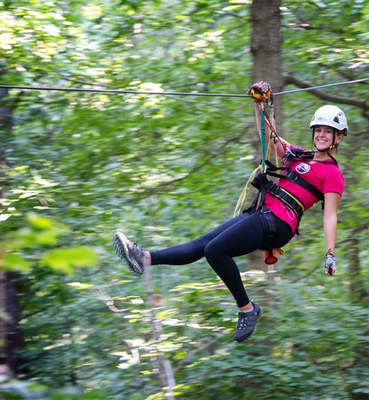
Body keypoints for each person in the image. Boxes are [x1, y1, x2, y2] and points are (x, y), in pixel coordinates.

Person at [112, 96, 347, 343]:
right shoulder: (299, 155)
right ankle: (145, 258)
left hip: (279, 222)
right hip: (262, 212)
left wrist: (330, 253)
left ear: (338, 137)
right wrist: (259, 104)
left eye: (327, 131)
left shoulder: (333, 174)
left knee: (215, 250)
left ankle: (247, 309)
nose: (321, 135)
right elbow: (267, 136)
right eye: (318, 130)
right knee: (205, 244)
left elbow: (330, 214)